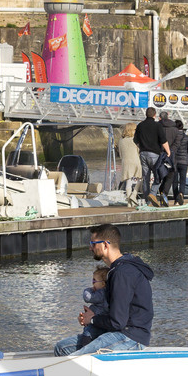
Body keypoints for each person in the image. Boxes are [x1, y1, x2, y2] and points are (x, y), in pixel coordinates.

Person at [59, 226, 153, 355]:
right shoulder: (119, 269)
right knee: (62, 348)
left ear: (105, 245)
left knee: (75, 361)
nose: (90, 248)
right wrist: (91, 316)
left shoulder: (122, 273)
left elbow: (118, 322)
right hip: (119, 331)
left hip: (130, 337)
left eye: (92, 243)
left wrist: (92, 319)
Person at [54, 264, 109, 355]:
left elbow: (87, 297)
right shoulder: (106, 293)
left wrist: (88, 290)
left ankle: (85, 350)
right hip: (98, 322)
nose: (92, 283)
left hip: (96, 323)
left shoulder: (101, 293)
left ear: (103, 283)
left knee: (88, 332)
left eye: (94, 280)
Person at [134, 106, 169, 207]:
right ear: (155, 115)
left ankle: (147, 202)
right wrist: (168, 152)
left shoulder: (140, 125)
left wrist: (141, 147)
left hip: (143, 154)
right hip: (154, 155)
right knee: (159, 176)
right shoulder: (157, 126)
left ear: (146, 114)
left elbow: (135, 140)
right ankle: (152, 194)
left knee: (146, 178)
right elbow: (163, 140)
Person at [164, 112, 188, 204]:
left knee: (174, 180)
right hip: (184, 161)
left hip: (175, 161)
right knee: (183, 179)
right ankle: (181, 193)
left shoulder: (173, 137)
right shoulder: (187, 138)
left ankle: (176, 199)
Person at [116, 122, 142, 198]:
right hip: (136, 160)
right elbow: (139, 151)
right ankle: (134, 194)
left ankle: (129, 197)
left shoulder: (121, 140)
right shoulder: (135, 140)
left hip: (125, 162)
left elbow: (120, 153)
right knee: (140, 178)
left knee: (128, 180)